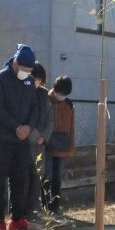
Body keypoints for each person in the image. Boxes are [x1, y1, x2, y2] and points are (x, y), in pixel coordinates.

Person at [0, 44, 38, 230]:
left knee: (20, 180)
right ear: (15, 63)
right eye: (24, 68)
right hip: (1, 139)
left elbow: (34, 108)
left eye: (29, 70)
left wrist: (28, 127)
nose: (26, 72)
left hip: (22, 141)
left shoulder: (30, 81)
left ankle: (17, 218)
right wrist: (16, 127)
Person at [24, 63, 53, 219]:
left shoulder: (44, 94)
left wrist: (44, 137)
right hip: (23, 144)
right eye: (37, 79)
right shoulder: (21, 91)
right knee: (22, 177)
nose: (39, 83)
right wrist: (33, 135)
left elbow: (50, 118)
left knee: (36, 177)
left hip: (40, 144)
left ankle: (34, 210)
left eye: (41, 80)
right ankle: (19, 213)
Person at [44, 75, 75, 215]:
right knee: (46, 176)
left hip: (62, 146)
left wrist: (72, 146)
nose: (61, 96)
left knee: (57, 178)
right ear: (55, 89)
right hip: (46, 145)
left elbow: (72, 127)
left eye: (65, 94)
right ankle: (43, 206)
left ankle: (55, 207)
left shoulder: (69, 105)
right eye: (60, 93)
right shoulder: (45, 99)